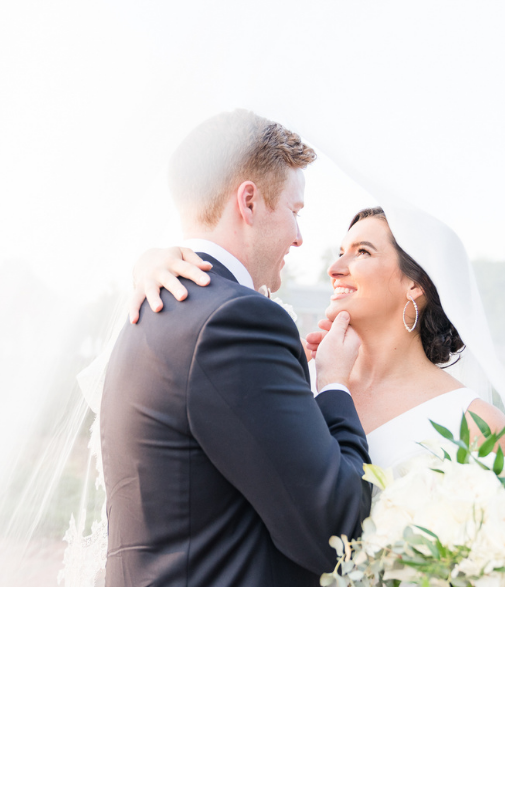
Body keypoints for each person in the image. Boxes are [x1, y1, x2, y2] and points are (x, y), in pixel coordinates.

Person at [99, 109, 371, 587]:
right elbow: (336, 528)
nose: (299, 236)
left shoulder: (149, 308)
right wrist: (333, 385)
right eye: (295, 210)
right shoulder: (238, 320)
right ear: (248, 201)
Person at [133, 207, 505, 475]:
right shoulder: (299, 378)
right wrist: (154, 259)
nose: (335, 269)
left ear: (415, 283)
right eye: (339, 253)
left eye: (362, 252)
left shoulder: (477, 425)